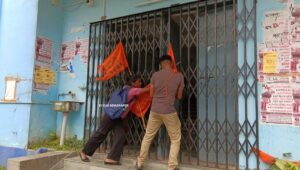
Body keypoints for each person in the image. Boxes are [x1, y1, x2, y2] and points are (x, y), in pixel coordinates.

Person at [79, 75, 150, 165]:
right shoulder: (132, 90)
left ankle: (111, 158)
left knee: (120, 136)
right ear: (133, 83)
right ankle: (84, 152)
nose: (141, 83)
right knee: (101, 133)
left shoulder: (124, 89)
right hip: (111, 115)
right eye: (139, 81)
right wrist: (155, 84)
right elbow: (145, 90)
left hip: (119, 117)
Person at [136, 55, 184, 170]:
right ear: (171, 63)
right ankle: (172, 166)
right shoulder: (179, 76)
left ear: (161, 64)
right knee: (175, 138)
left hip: (155, 110)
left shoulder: (155, 75)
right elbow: (179, 96)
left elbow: (151, 94)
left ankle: (139, 163)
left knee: (148, 136)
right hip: (169, 111)